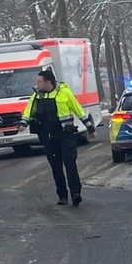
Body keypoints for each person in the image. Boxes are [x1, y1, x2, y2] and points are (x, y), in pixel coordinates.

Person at [18, 68, 96, 206]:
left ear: (48, 82)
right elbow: (28, 111)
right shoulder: (36, 96)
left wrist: (90, 128)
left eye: (40, 81)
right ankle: (62, 195)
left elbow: (78, 110)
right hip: (48, 137)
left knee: (70, 164)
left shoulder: (64, 93)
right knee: (56, 167)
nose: (37, 84)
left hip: (66, 135)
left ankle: (75, 193)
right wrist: (23, 123)